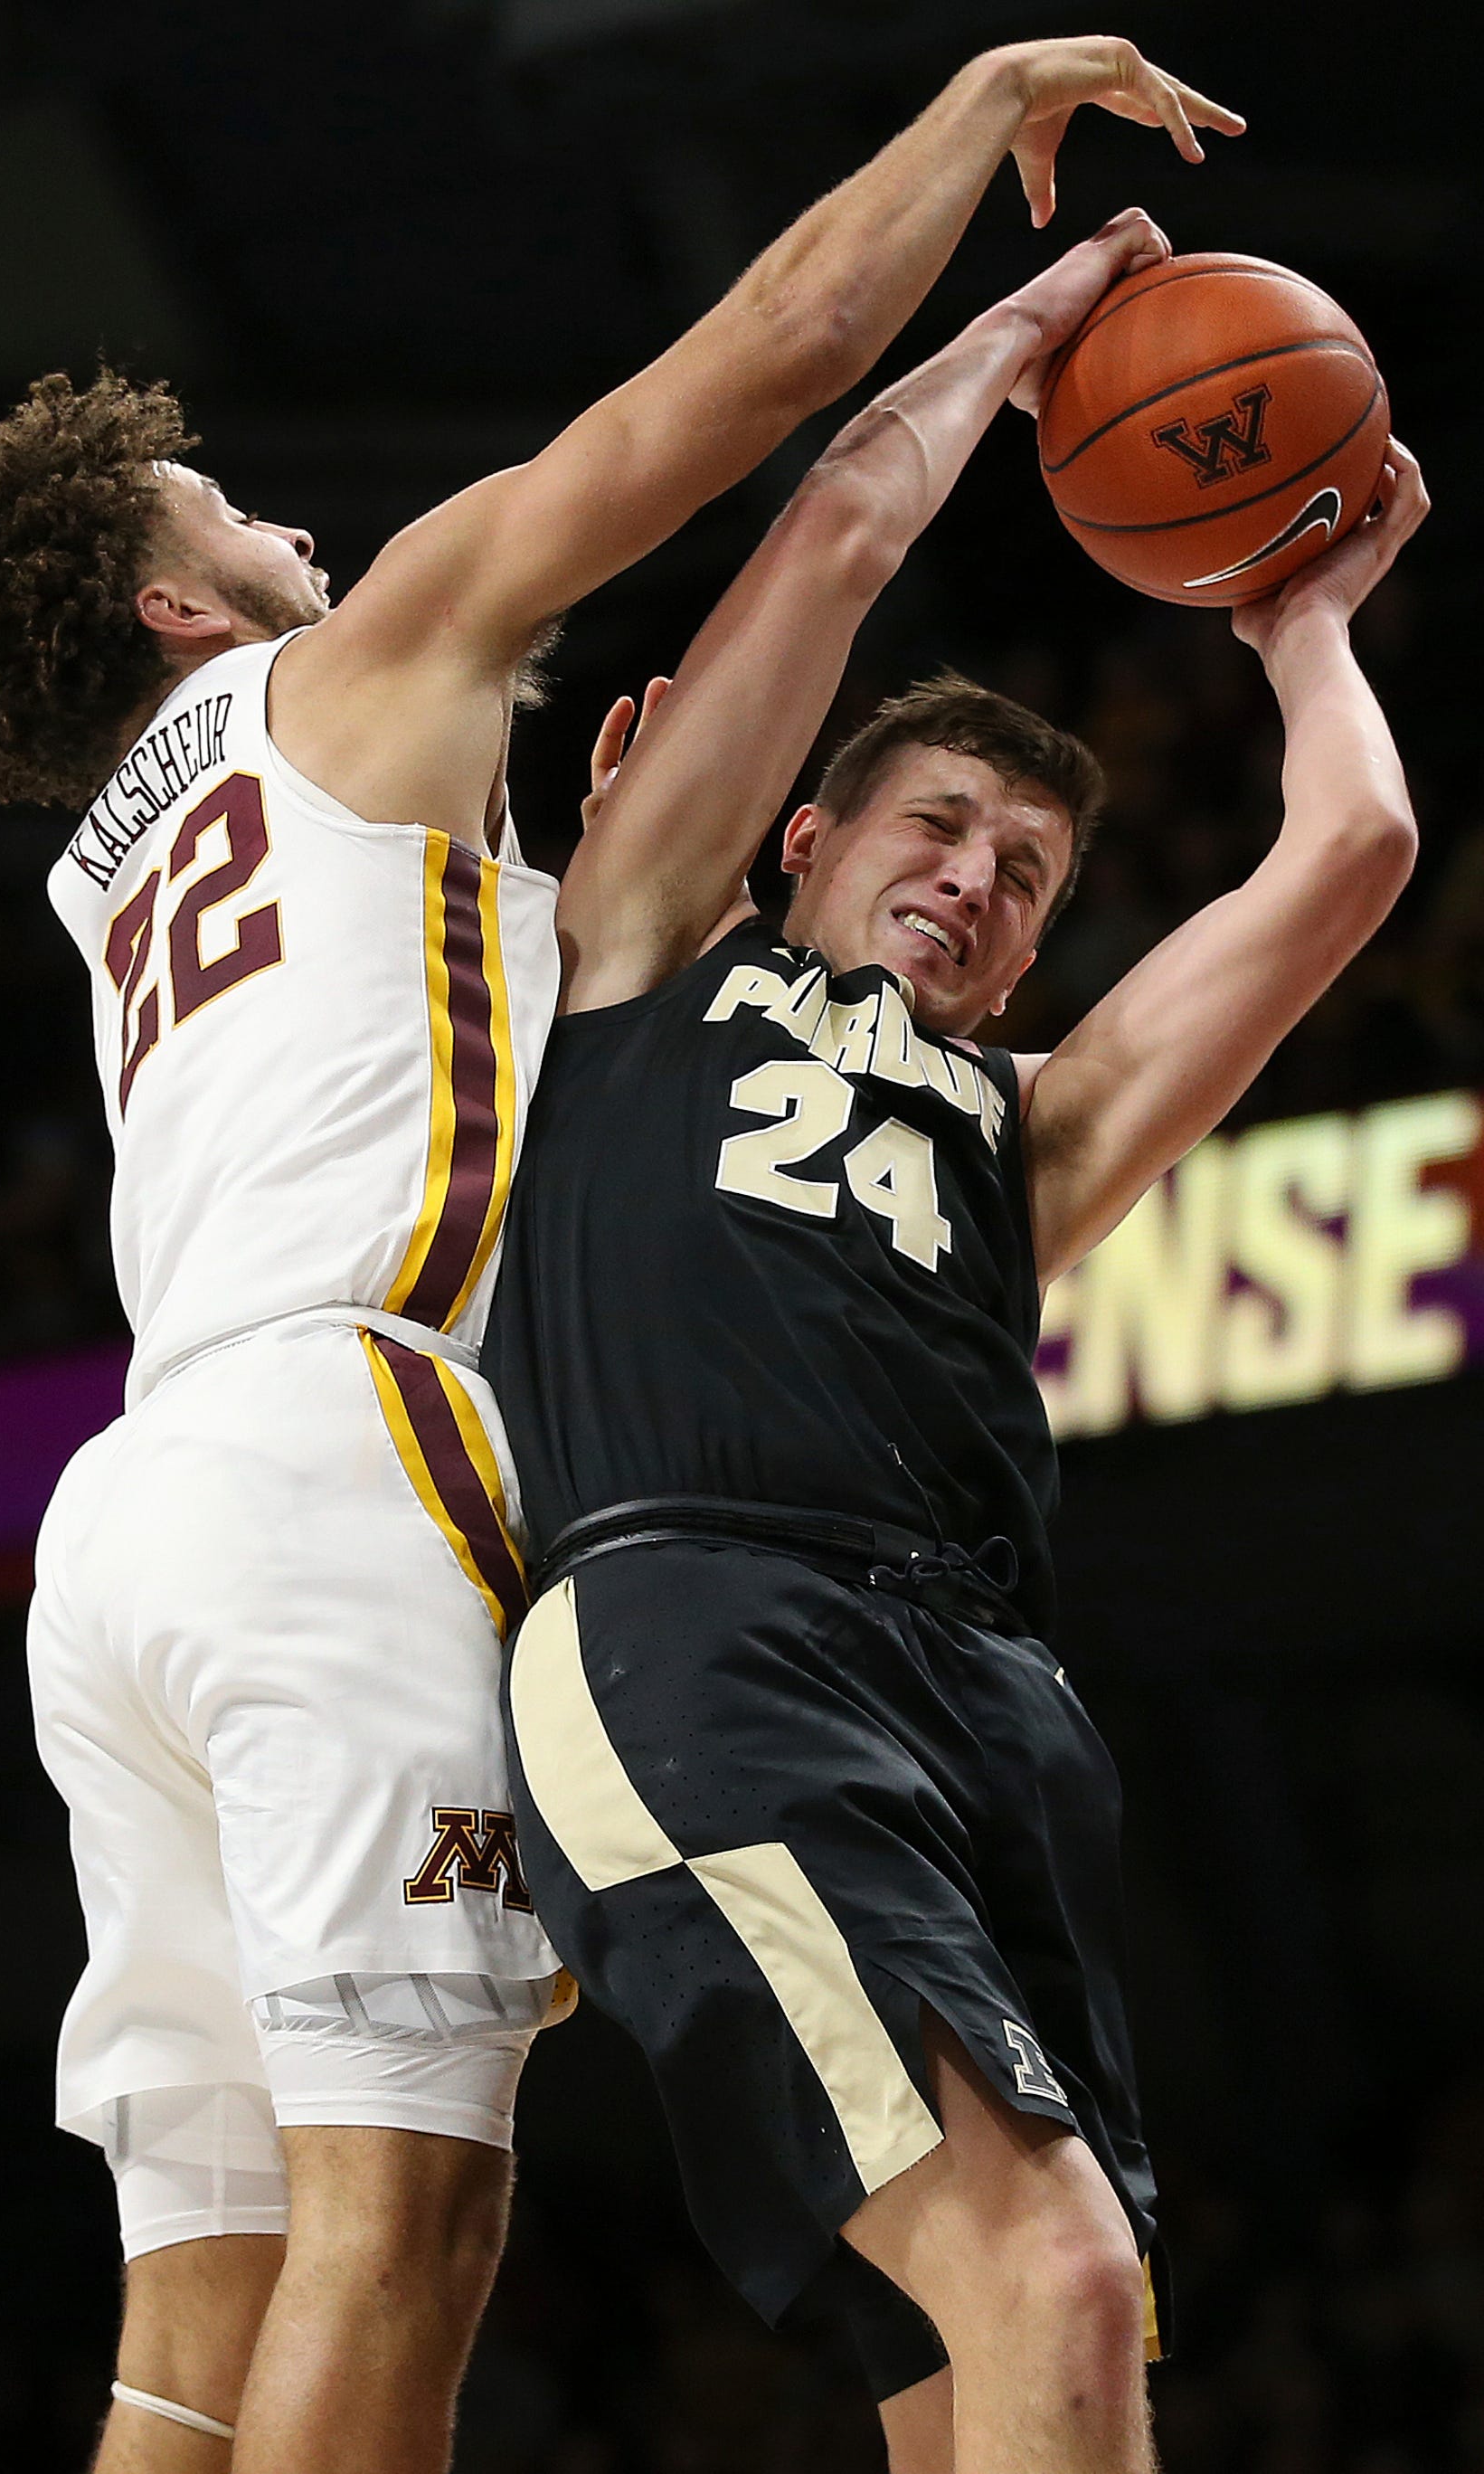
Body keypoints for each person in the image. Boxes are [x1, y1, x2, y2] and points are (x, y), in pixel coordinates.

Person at [0, 40, 1243, 2474]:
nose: (299, 527)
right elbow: (765, 364)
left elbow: (510, 1004)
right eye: (237, 511)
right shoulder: (352, 672)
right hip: (342, 1461)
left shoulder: (117, 875)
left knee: (201, 2286)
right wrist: (969, 137)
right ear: (184, 597)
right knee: (400, 2224)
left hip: (135, 1512)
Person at [483, 204, 1426, 2471]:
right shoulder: (633, 962)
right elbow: (827, 534)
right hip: (699, 1621)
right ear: (801, 839)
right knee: (1055, 2271)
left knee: (1016, 2342)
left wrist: (1296, 619)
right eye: (941, 824)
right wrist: (1011, 344)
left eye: (1025, 873)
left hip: (985, 1690)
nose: (980, 878)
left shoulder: (1038, 1125)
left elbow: (1359, 843)